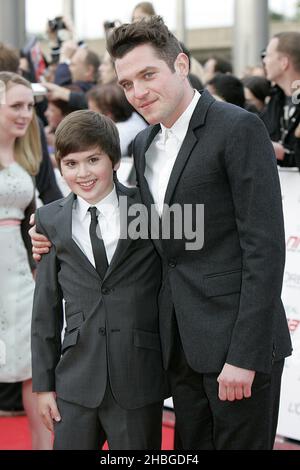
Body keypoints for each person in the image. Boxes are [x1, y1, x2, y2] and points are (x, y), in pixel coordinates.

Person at [30, 16, 292, 450]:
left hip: (236, 350)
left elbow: (263, 249)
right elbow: (160, 234)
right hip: (180, 350)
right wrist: (53, 236)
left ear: (182, 65)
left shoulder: (238, 128)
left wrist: (244, 356)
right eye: (127, 83)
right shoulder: (144, 144)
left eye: (148, 75)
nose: (138, 92)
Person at [31, 110, 168, 450]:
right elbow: (45, 308)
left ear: (115, 161)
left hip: (138, 376)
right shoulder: (50, 220)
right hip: (76, 378)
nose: (83, 173)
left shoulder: (147, 209)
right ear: (60, 166)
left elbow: (202, 233)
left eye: (93, 159)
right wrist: (44, 384)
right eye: (72, 163)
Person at [0, 72, 52, 449]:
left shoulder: (28, 153)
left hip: (20, 277)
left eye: (29, 106)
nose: (25, 114)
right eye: (15, 105)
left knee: (34, 372)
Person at [262, 32, 300, 170]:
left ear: (284, 63)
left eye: (268, 55)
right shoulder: (274, 99)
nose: (264, 61)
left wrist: (282, 153)